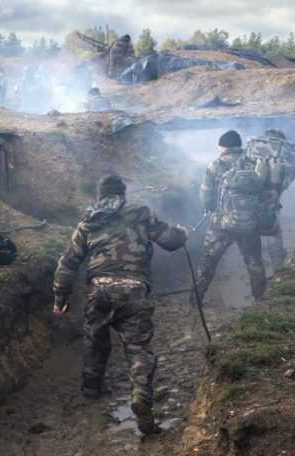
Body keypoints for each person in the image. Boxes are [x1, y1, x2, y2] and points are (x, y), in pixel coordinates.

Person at [53, 175, 188, 435]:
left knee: (95, 340)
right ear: (123, 194)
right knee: (138, 348)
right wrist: (182, 232)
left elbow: (68, 263)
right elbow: (171, 241)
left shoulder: (88, 221)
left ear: (99, 196)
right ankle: (140, 395)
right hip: (134, 288)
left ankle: (91, 390)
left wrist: (60, 298)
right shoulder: (142, 212)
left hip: (99, 289)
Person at [195, 130, 269, 304]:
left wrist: (211, 208)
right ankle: (261, 299)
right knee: (254, 262)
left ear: (222, 146)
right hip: (249, 222)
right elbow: (264, 192)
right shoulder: (254, 164)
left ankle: (196, 299)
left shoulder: (215, 165)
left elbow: (206, 198)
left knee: (208, 261)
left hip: (221, 224)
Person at [247, 128, 295, 270]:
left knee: (250, 232)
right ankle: (278, 269)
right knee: (273, 232)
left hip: (249, 198)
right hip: (271, 198)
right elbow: (289, 177)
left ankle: (255, 266)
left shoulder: (253, 147)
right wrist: (277, 190)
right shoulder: (285, 152)